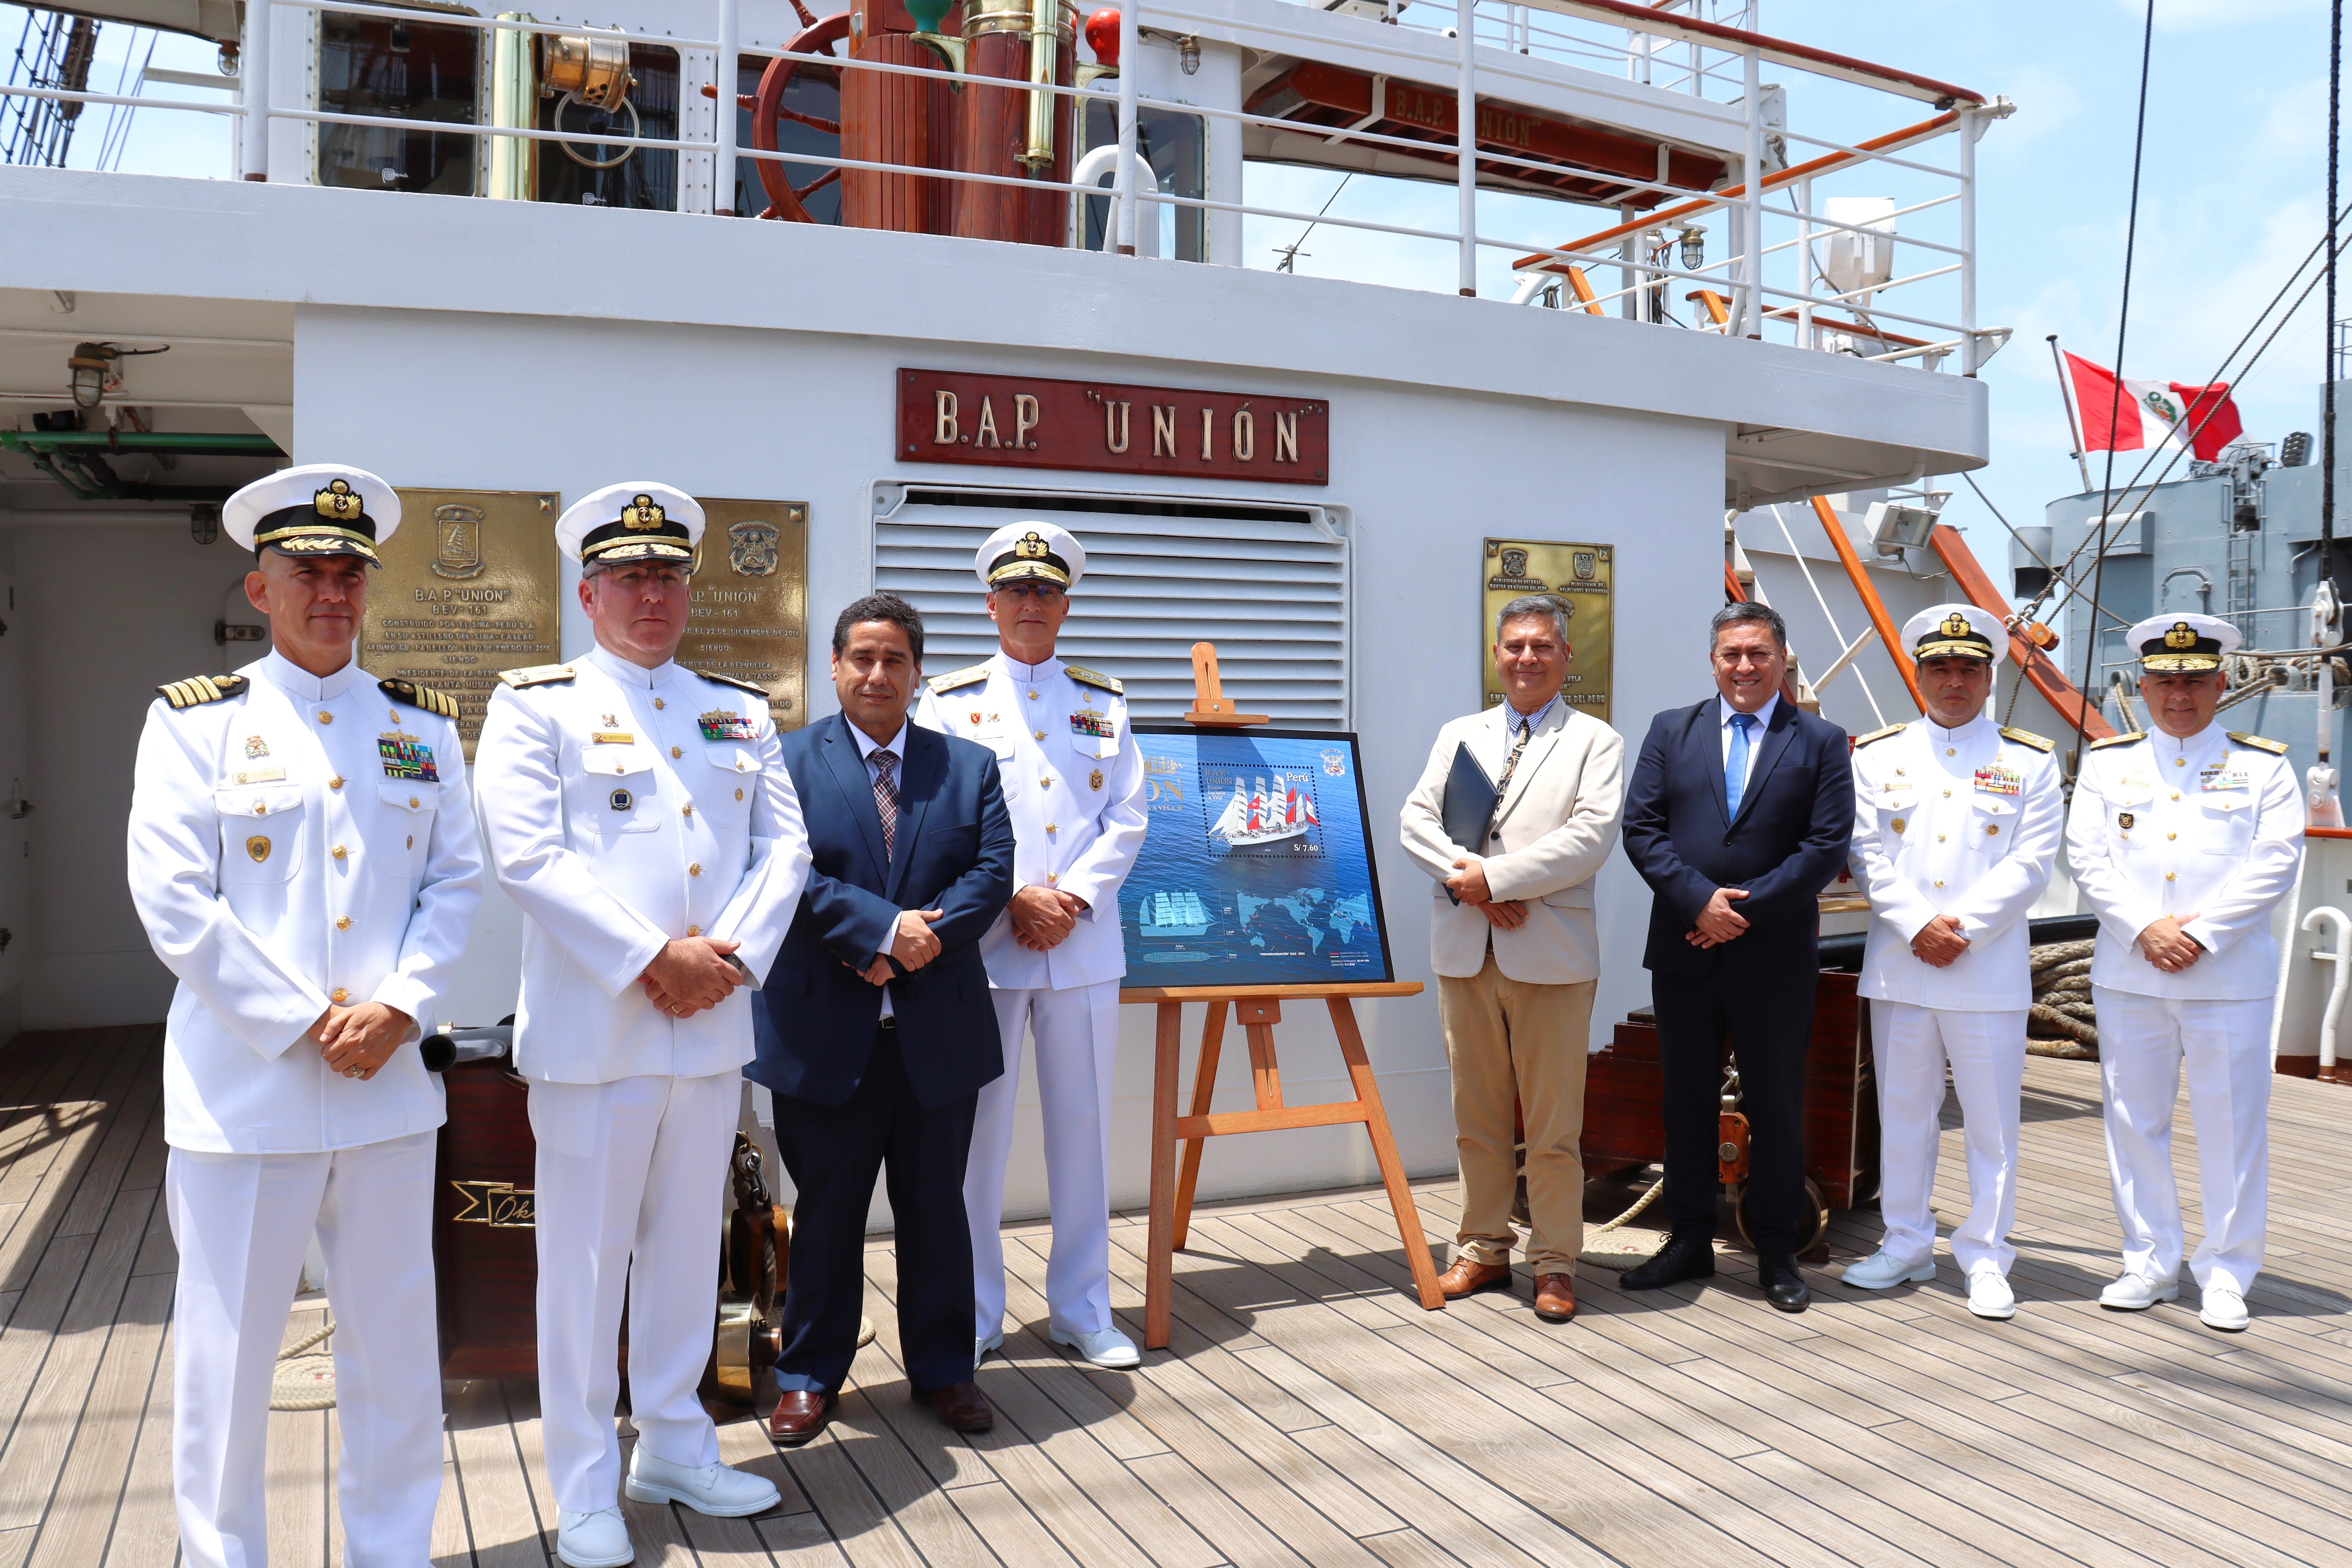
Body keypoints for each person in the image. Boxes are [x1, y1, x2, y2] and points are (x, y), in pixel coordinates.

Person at [128, 465, 482, 1568]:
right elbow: (172, 900)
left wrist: (402, 1006)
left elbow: (455, 884)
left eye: (349, 572)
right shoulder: (196, 724)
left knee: (395, 1351)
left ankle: (393, 1550)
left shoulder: (420, 726)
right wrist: (305, 1021)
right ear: (260, 587)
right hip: (248, 1095)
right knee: (229, 1358)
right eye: (307, 571)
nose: (332, 591)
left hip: (386, 1092)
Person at [475, 483, 811, 1568]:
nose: (652, 594)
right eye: (629, 577)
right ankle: (584, 1483)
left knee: (684, 1251)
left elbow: (787, 849)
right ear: (588, 594)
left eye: (668, 575)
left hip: (708, 1031)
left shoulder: (739, 710)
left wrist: (730, 959)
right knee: (584, 1267)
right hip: (598, 1036)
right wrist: (653, 959)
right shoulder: (537, 705)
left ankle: (672, 1443)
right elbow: (527, 855)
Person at [753, 593, 1016, 1445]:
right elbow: (782, 871)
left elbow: (992, 873)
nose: (877, 674)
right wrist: (877, 933)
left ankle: (945, 1369)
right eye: (861, 658)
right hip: (824, 1032)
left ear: (917, 672)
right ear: (834, 667)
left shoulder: (968, 765)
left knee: (938, 1210)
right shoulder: (784, 760)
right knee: (827, 1213)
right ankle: (809, 1374)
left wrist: (908, 946)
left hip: (937, 1034)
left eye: (894, 659)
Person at [913, 523, 1149, 1370]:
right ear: (991, 603)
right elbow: (938, 821)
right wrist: (1012, 895)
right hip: (986, 950)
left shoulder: (1104, 701)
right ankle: (975, 1311)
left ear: (1065, 604)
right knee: (978, 1139)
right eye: (1016, 590)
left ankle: (1084, 1308)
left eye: (1046, 590)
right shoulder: (948, 702)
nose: (1031, 603)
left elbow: (1128, 816)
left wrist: (1071, 898)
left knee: (1084, 1131)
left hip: (1080, 947)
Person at [2066, 612, 2303, 1333]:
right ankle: (2149, 1260)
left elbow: (2277, 861)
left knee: (2232, 1128)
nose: (2179, 695)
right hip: (2132, 972)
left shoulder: (2264, 767)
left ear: (2220, 684)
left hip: (2226, 978)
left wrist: (2199, 935)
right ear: (2142, 685)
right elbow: (2087, 857)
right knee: (2134, 1123)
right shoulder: (2109, 764)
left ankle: (2227, 1271)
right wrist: (2146, 928)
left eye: (2195, 681)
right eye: (2165, 681)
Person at [1619, 600, 1854, 1312]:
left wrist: (1739, 914)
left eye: (1758, 654)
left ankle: (1777, 1251)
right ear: (1713, 661)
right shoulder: (1670, 730)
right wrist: (1699, 902)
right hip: (1686, 950)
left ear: (1782, 660)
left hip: (1773, 957)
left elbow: (1825, 846)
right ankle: (1689, 1238)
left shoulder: (1821, 741)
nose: (1745, 666)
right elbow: (1642, 827)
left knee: (1778, 1103)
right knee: (1685, 1100)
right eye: (1732, 654)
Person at [1398, 593, 1624, 1324]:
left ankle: (1555, 1262)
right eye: (1516, 646)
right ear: (1497, 655)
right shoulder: (1459, 734)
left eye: (1543, 646)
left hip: (1552, 955)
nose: (1528, 658)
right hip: (1467, 947)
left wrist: (1495, 880)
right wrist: (1472, 885)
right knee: (1478, 1115)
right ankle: (1484, 1247)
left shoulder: (1595, 741)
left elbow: (1589, 839)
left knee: (1554, 1125)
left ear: (1566, 657)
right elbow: (1416, 821)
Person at [1841, 604, 2062, 1320]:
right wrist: (1918, 926)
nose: (1955, 681)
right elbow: (1864, 853)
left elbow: (2033, 861)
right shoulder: (1877, 757)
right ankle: (1906, 1242)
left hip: (1985, 968)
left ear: (1989, 677)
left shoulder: (2029, 760)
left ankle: (1987, 1254)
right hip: (1902, 965)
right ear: (1919, 675)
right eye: (1940, 667)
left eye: (1969, 668)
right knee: (1904, 1115)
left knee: (1993, 1125)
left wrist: (1960, 929)